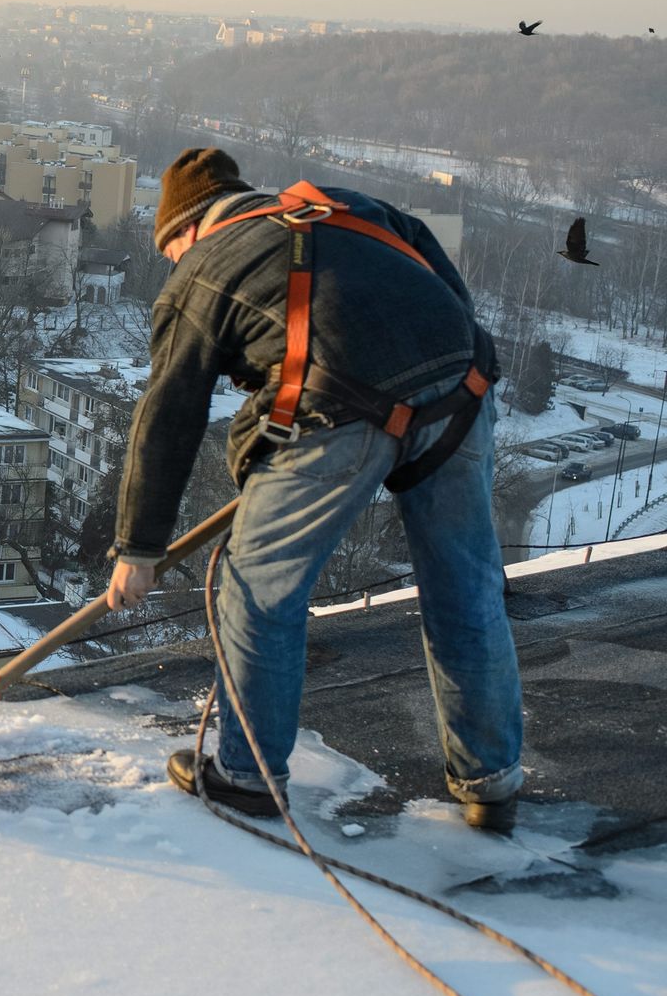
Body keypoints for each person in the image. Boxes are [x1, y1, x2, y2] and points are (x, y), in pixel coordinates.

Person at [106, 148, 522, 832]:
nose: (174, 264)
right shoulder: (340, 204)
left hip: (341, 409)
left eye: (170, 252)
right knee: (466, 590)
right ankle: (492, 782)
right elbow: (425, 253)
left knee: (257, 586)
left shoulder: (200, 275)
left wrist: (138, 547)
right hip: (462, 387)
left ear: (181, 233)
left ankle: (247, 779)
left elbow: (168, 414)